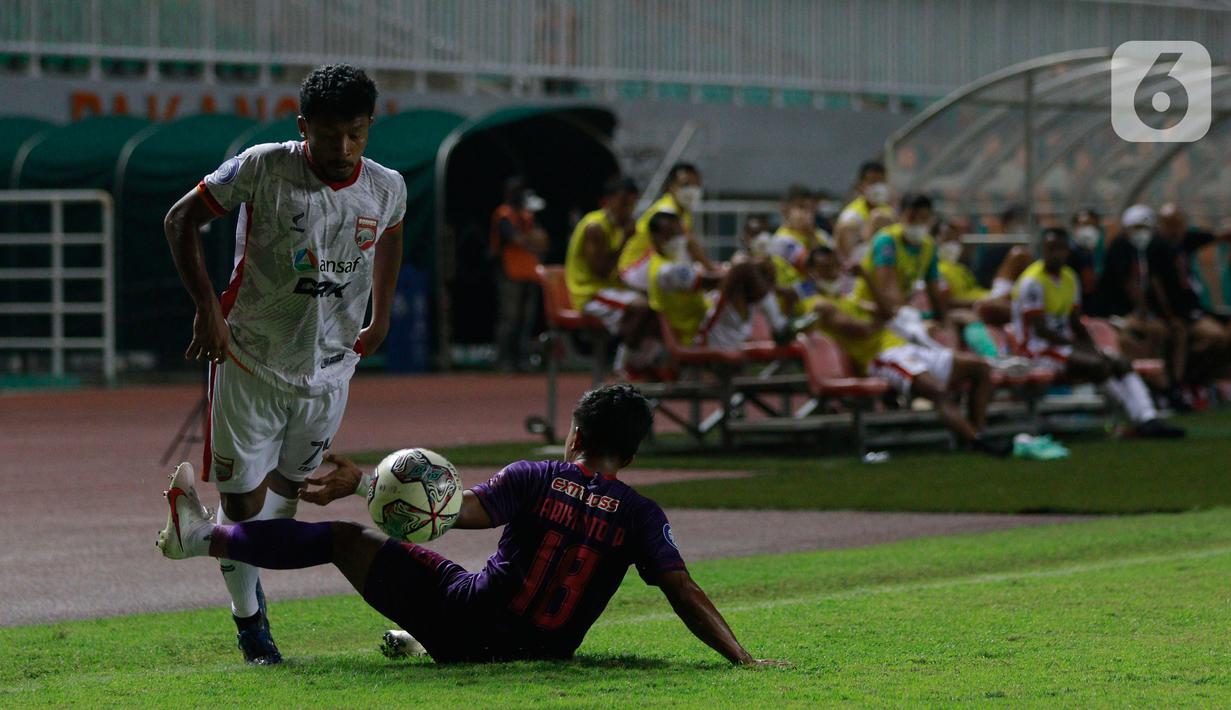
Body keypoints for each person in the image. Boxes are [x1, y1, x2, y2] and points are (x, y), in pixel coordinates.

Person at [156, 384, 782, 667]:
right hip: (544, 651)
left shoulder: (538, 477)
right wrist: (743, 657)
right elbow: (683, 591)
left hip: (466, 623)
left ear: (576, 436)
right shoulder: (642, 515)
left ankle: (204, 537)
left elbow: (450, 514)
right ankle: (421, 640)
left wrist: (366, 484)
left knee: (345, 539)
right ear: (634, 453)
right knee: (464, 589)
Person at [162, 64, 407, 664]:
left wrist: (382, 315)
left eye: (355, 133)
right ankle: (251, 624)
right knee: (244, 503)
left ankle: (203, 541)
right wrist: (206, 310)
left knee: (289, 495)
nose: (343, 148)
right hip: (250, 358)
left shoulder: (387, 185)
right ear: (304, 127)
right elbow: (179, 220)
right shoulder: (263, 165)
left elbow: (393, 233)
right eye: (329, 136)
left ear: (370, 126)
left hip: (330, 369)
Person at [803, 246, 1010, 456]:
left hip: (905, 348)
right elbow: (861, 330)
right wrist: (881, 320)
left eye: (834, 267)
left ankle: (978, 435)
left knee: (980, 368)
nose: (831, 273)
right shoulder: (819, 305)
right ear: (812, 272)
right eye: (824, 268)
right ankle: (977, 441)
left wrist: (866, 277)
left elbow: (889, 313)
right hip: (882, 358)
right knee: (937, 391)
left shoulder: (850, 300)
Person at [1011, 228, 1184, 438]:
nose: (1056, 254)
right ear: (1041, 251)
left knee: (1120, 362)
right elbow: (1040, 330)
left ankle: (1149, 417)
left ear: (1068, 251)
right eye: (1051, 249)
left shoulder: (1069, 277)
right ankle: (1136, 419)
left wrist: (1092, 347)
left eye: (1061, 249)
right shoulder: (1032, 282)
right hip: (1036, 349)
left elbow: (1075, 321)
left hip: (1063, 346)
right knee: (1098, 365)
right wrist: (1081, 348)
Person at [648, 211, 791, 350]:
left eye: (681, 232)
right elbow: (713, 281)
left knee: (747, 271)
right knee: (743, 268)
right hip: (699, 335)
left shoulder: (673, 261)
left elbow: (714, 274)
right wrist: (752, 264)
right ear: (656, 238)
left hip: (710, 322)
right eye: (672, 234)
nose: (681, 238)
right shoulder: (665, 270)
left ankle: (779, 326)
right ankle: (779, 326)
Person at [563, 177, 658, 373]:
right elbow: (601, 270)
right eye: (624, 203)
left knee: (658, 306)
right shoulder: (595, 227)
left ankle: (641, 363)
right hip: (589, 292)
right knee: (641, 307)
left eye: (632, 204)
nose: (628, 209)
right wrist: (625, 240)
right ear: (608, 201)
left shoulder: (621, 226)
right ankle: (621, 366)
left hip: (610, 289)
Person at [618, 162, 714, 292]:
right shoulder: (666, 210)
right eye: (686, 185)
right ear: (670, 187)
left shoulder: (682, 210)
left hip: (652, 262)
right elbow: (691, 243)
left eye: (696, 185)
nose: (692, 189)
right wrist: (712, 269)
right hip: (635, 266)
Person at [490, 177, 549, 371]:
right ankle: (504, 360)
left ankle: (523, 360)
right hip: (510, 273)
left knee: (526, 319)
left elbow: (542, 240)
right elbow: (515, 238)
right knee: (510, 318)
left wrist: (531, 239)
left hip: (530, 272)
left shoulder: (528, 214)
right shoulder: (503, 214)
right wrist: (529, 239)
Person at [769, 185, 833, 274]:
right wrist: (812, 237)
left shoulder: (821, 235)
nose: (807, 214)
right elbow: (818, 268)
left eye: (811, 209)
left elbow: (837, 264)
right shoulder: (781, 240)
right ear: (785, 209)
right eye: (801, 207)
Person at [834, 160, 891, 257]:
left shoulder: (887, 209)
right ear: (861, 186)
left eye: (881, 182)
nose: (878, 187)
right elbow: (851, 256)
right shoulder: (850, 216)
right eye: (873, 182)